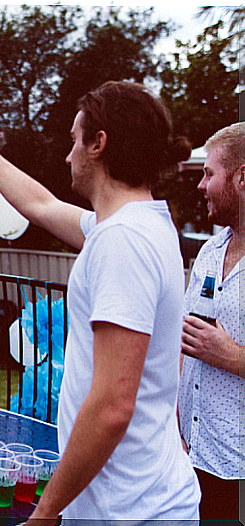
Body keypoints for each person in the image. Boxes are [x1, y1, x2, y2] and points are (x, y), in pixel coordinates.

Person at [0, 81, 200, 522]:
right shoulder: (135, 226)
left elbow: (113, 405)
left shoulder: (123, 241)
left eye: (75, 141)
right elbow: (39, 203)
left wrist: (45, 513)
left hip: (130, 511)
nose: (68, 156)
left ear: (99, 144)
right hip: (131, 501)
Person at [179, 122, 244, 521]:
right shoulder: (208, 251)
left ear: (241, 178)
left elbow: (216, 351)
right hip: (189, 456)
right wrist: (174, 426)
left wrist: (232, 357)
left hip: (238, 473)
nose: (200, 185)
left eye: (209, 173)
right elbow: (186, 342)